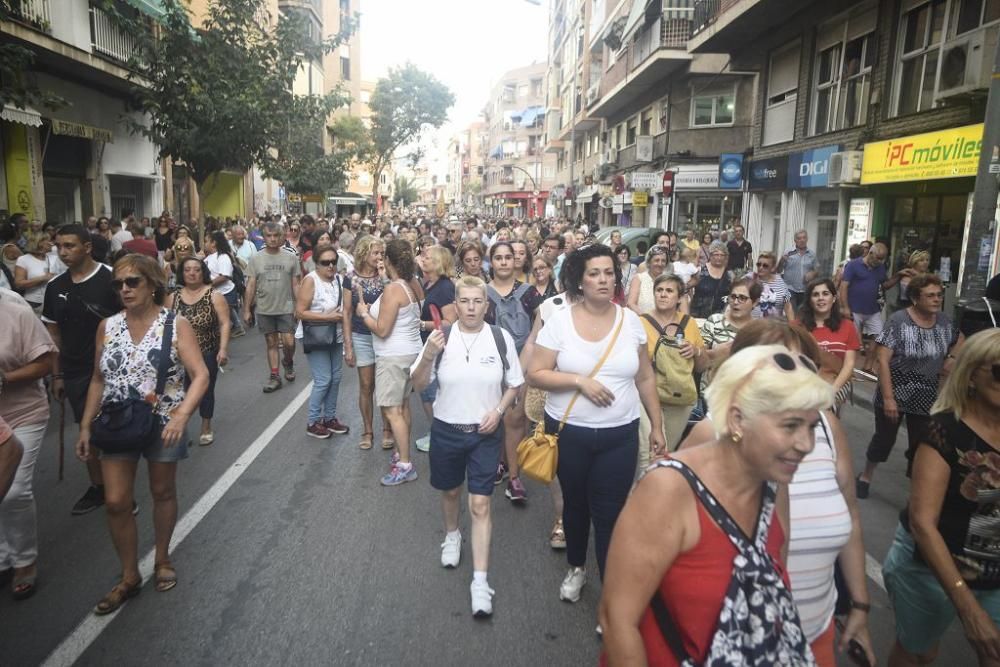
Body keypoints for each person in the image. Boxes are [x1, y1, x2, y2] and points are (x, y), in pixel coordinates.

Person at [600, 344, 833, 664]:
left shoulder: (773, 483)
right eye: (790, 426)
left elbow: (778, 575)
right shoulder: (668, 489)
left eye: (812, 427)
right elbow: (617, 620)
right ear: (737, 420)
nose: (806, 444)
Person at [677, 324, 874, 666]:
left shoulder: (827, 427)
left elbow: (851, 516)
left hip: (815, 634)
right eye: (777, 362)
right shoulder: (714, 431)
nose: (791, 374)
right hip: (729, 641)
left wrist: (859, 604)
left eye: (802, 363)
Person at [527, 244, 665, 604]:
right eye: (594, 273)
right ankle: (576, 567)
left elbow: (646, 377)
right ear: (579, 279)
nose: (603, 280)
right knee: (575, 505)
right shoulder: (559, 322)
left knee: (611, 513)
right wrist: (579, 381)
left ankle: (611, 594)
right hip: (569, 433)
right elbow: (536, 374)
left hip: (620, 435)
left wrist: (658, 425)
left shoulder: (631, 321)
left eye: (608, 273)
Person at [76, 254, 208, 615]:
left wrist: (182, 415)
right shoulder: (107, 326)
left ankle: (162, 558)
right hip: (117, 422)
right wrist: (86, 425)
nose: (124, 289)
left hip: (164, 422)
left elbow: (200, 375)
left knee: (162, 490)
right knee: (116, 500)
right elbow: (98, 379)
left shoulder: (174, 324)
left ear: (152, 284)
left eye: (132, 282)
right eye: (118, 284)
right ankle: (129, 574)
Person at [883, 329, 1000, 667]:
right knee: (919, 651)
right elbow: (923, 522)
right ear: (973, 375)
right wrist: (967, 606)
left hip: (994, 567)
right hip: (931, 568)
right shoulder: (944, 430)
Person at [410, 276, 523, 617]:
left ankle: (479, 581)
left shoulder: (500, 339)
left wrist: (499, 411)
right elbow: (418, 385)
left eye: (478, 301)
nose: (472, 308)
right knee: (450, 493)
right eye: (465, 301)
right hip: (446, 429)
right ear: (455, 305)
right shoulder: (440, 338)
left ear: (487, 306)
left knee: (480, 505)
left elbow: (514, 384)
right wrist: (428, 354)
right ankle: (451, 534)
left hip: (485, 435)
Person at [856, 273, 964, 499]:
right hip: (894, 391)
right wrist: (888, 398)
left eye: (939, 295)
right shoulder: (899, 320)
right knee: (884, 440)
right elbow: (883, 360)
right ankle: (866, 475)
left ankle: (918, 491)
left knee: (921, 446)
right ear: (916, 298)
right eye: (930, 295)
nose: (937, 299)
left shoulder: (945, 321)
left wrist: (952, 357)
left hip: (926, 397)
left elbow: (960, 338)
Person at [43, 224, 121, 515]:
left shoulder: (111, 278)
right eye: (59, 246)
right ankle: (99, 486)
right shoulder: (55, 287)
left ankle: (118, 489)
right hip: (75, 371)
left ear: (87, 247)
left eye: (70, 246)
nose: (63, 252)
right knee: (87, 429)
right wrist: (57, 373)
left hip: (113, 370)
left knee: (110, 429)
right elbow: (53, 335)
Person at [0, 293, 58, 600]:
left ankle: (24, 561)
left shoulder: (15, 311)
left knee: (14, 489)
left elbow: (45, 363)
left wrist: (4, 378)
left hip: (23, 412)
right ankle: (3, 557)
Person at [355, 240, 423, 486]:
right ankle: (400, 454)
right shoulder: (412, 284)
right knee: (402, 407)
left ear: (389, 261)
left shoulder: (394, 289)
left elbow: (382, 330)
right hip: (410, 352)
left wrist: (363, 313)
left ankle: (405, 465)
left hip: (393, 356)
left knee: (392, 411)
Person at [486, 241, 542, 502]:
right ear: (492, 262)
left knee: (515, 419)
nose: (505, 262)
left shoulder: (530, 292)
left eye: (509, 257)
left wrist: (523, 364)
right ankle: (500, 461)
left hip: (524, 360)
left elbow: (539, 327)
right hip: (490, 364)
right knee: (494, 417)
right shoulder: (482, 292)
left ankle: (514, 478)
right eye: (498, 258)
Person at [638, 274, 708, 463]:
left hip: (679, 397)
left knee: (666, 452)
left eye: (669, 291)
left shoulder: (689, 323)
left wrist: (695, 351)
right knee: (649, 451)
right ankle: (645, 491)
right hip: (646, 395)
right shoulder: (640, 322)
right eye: (659, 290)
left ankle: (658, 489)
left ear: (679, 297)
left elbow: (702, 366)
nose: (663, 295)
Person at [164, 257, 231, 446]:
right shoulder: (172, 298)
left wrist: (223, 349)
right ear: (182, 274)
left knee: (205, 391)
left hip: (206, 351)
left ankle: (206, 426)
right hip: (177, 355)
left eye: (196, 270)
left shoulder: (214, 295)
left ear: (203, 273)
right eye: (187, 270)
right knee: (178, 391)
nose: (192, 273)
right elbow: (165, 326)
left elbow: (225, 323)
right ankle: (180, 428)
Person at [294, 244, 350, 439]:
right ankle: (313, 421)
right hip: (316, 336)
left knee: (335, 378)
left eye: (334, 262)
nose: (330, 266)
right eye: (325, 262)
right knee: (323, 379)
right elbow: (299, 312)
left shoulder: (339, 280)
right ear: (316, 264)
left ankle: (330, 418)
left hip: (336, 335)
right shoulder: (311, 281)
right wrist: (327, 317)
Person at [344, 235, 394, 451]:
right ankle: (367, 430)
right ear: (364, 253)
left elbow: (394, 299)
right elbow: (346, 312)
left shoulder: (386, 275)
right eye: (375, 253)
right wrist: (348, 346)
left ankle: (386, 429)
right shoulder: (350, 277)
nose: (379, 257)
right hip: (362, 336)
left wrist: (384, 277)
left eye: (381, 253)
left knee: (384, 385)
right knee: (366, 385)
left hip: (384, 335)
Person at [242, 222, 302, 393]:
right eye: (269, 236)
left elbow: (296, 284)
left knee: (289, 342)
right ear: (264, 237)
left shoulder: (291, 257)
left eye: (276, 235)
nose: (273, 239)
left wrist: (300, 306)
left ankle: (288, 362)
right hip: (265, 307)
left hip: (286, 307)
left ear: (282, 236)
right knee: (271, 342)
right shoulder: (256, 258)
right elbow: (251, 285)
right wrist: (247, 309)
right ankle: (274, 376)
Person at [839, 242, 910, 375]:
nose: (880, 261)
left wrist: (898, 275)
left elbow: (885, 285)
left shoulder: (880, 268)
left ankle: (867, 366)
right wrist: (845, 307)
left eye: (882, 258)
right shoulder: (853, 265)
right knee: (852, 341)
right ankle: (848, 369)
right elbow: (843, 287)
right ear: (870, 253)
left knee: (878, 337)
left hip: (872, 309)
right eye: (878, 258)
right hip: (854, 308)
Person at [414, 246, 457, 452]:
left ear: (438, 262)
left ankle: (439, 434)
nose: (423, 259)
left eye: (427, 257)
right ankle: (437, 431)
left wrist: (422, 324)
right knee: (426, 391)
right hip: (428, 344)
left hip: (439, 346)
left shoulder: (445, 287)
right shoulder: (429, 283)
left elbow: (449, 321)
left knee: (432, 392)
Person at [799, 278, 860, 411]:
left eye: (825, 293)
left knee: (827, 423)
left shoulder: (847, 326)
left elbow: (849, 364)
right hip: (801, 387)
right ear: (810, 300)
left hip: (834, 385)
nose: (821, 298)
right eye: (815, 295)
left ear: (834, 298)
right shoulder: (797, 327)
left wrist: (832, 391)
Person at [204, 231, 245, 338]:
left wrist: (208, 285)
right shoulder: (208, 257)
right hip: (215, 293)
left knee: (227, 311)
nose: (205, 244)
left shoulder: (222, 257)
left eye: (206, 241)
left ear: (214, 243)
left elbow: (225, 276)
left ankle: (237, 327)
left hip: (225, 291)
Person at [689, 242, 733, 319]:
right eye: (716, 254)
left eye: (722, 255)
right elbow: (688, 287)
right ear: (710, 255)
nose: (719, 257)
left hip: (720, 317)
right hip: (698, 315)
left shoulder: (730, 275)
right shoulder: (700, 271)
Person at [778, 229, 819, 311]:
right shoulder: (788, 252)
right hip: (790, 289)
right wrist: (781, 261)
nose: (802, 240)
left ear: (807, 239)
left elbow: (818, 270)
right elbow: (778, 270)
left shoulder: (812, 254)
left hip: (805, 290)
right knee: (792, 314)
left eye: (804, 238)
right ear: (795, 240)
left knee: (802, 315)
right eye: (799, 238)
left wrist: (813, 273)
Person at [14, 232, 54, 312]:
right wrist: (43, 278)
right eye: (48, 241)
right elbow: (18, 284)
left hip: (52, 301)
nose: (51, 243)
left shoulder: (51, 257)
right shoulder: (24, 259)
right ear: (39, 243)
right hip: (34, 303)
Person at [748, 251, 794, 320]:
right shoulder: (749, 278)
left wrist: (792, 325)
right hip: (753, 325)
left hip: (775, 327)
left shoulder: (780, 281)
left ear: (772, 268)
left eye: (765, 266)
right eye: (758, 264)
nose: (760, 267)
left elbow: (787, 306)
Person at [627, 245, 669, 315]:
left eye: (663, 261)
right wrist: (647, 318)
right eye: (656, 260)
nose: (660, 264)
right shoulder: (639, 278)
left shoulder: (669, 280)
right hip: (643, 321)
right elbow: (631, 304)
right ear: (649, 262)